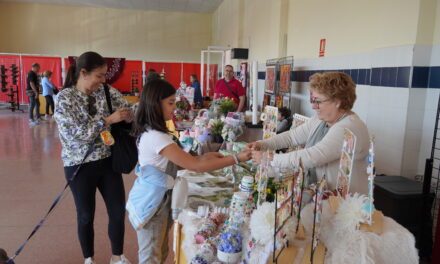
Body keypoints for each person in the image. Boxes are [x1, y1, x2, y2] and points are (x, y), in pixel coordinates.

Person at [128, 79, 252, 264]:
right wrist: (235, 159)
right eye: (170, 103)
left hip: (158, 199)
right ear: (155, 104)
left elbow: (189, 161)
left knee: (159, 251)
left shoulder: (155, 133)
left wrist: (216, 156)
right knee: (151, 255)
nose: (174, 108)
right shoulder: (157, 137)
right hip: (152, 203)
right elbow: (194, 165)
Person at [54, 51, 133, 264]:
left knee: (117, 211)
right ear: (83, 73)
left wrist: (133, 113)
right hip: (79, 165)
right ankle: (88, 258)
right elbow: (74, 136)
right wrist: (107, 120)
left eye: (105, 75)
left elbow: (129, 110)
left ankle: (118, 255)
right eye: (99, 75)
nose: (103, 80)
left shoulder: (106, 91)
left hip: (108, 161)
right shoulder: (65, 98)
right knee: (85, 215)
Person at [248, 72, 370, 195]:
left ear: (337, 101)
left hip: (344, 202)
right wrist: (262, 144)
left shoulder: (348, 128)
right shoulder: (320, 120)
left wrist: (270, 159)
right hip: (321, 196)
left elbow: (312, 157)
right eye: (313, 100)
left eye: (318, 101)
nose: (313, 106)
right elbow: (292, 137)